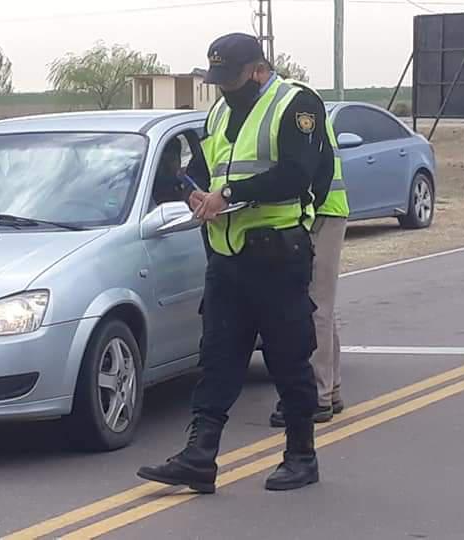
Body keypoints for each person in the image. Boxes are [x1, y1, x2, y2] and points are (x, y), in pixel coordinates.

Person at [137, 33, 327, 493]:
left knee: (288, 358)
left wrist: (231, 194)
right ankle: (200, 457)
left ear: (258, 70)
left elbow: (298, 173)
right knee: (218, 358)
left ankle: (301, 454)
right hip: (225, 254)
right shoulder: (220, 110)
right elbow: (200, 167)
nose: (223, 87)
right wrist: (192, 192)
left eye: (231, 77)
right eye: (216, 77)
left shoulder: (296, 104)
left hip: (278, 253)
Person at [268, 79, 349, 427]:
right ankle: (330, 388)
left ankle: (317, 396)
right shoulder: (293, 101)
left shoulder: (293, 104)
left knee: (312, 305)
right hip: (322, 209)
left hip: (320, 211)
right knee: (320, 304)